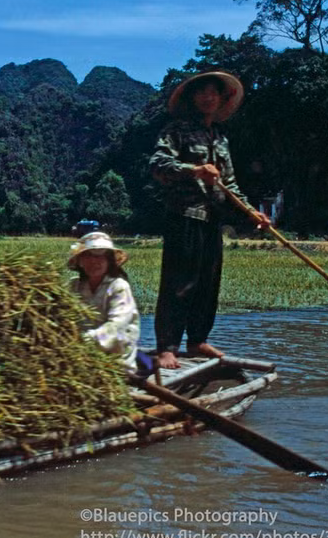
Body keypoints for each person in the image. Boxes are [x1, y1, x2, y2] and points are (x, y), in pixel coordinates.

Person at [149, 71, 269, 370]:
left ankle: (197, 339)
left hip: (212, 219)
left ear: (220, 99)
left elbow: (230, 184)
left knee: (207, 283)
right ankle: (167, 346)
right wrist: (196, 170)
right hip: (184, 215)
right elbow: (159, 165)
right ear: (193, 98)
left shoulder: (220, 137)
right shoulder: (176, 131)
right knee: (179, 283)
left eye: (213, 93)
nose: (207, 97)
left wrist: (251, 212)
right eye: (201, 92)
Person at [67, 231, 142, 372]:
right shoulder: (73, 286)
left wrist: (84, 340)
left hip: (116, 361)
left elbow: (116, 326)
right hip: (80, 358)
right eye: (88, 257)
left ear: (109, 262)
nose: (94, 262)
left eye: (101, 258)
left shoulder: (118, 286)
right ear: (80, 262)